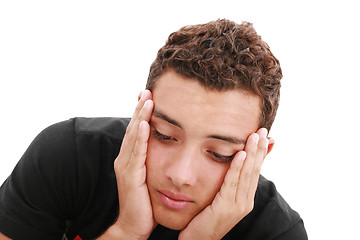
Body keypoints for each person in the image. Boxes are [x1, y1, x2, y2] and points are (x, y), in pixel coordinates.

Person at [0, 19, 307, 240]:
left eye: (220, 154)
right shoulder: (68, 157)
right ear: (140, 118)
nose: (180, 175)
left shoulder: (276, 231)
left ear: (258, 154)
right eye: (164, 134)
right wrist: (126, 232)